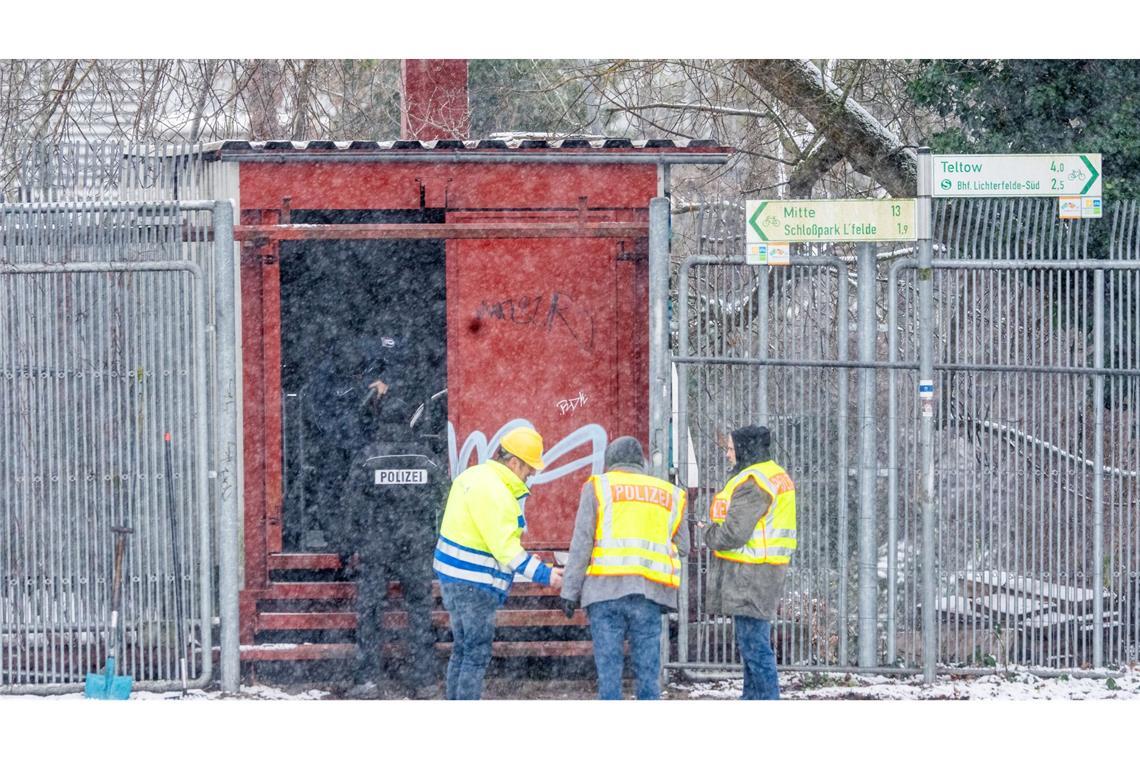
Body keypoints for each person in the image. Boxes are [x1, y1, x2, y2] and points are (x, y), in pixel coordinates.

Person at [433, 427, 564, 700]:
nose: (532, 474)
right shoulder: (496, 492)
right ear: (514, 462)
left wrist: (520, 559)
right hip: (475, 585)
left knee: (462, 649)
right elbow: (506, 550)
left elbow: (480, 537)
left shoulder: (471, 476)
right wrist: (545, 574)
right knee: (476, 654)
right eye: (530, 468)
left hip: (452, 579)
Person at [559, 436, 689, 700]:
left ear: (610, 462)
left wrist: (570, 591)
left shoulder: (597, 487)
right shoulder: (669, 494)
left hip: (604, 594)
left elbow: (582, 543)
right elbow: (684, 546)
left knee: (609, 673)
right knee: (647, 672)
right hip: (648, 594)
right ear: (641, 462)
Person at [341, 415, 447, 700]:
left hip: (376, 546)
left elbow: (351, 504)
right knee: (419, 613)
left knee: (370, 613)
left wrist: (348, 545)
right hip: (416, 547)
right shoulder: (426, 457)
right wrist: (436, 535)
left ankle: (368, 680)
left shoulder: (368, 457)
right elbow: (445, 496)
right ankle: (424, 680)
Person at [698, 425, 796, 700]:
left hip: (751, 573)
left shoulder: (753, 481)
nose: (728, 454)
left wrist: (710, 533)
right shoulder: (771, 474)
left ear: (744, 449)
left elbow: (734, 533)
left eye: (731, 448)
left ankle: (765, 699)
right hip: (763, 569)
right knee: (753, 644)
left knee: (754, 646)